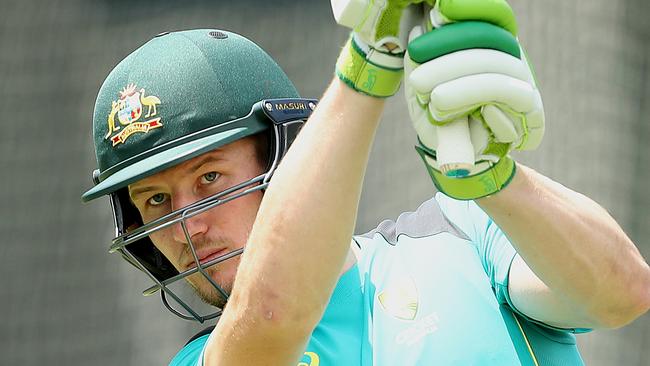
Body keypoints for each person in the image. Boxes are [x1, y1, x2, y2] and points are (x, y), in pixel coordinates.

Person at [82, 1, 650, 365]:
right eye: (155, 200)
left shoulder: (462, 235)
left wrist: (496, 183)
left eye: (209, 178)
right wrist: (369, 63)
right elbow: (275, 310)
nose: (188, 225)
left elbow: (623, 294)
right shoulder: (208, 358)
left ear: (288, 155)